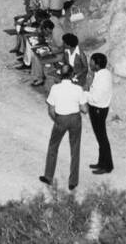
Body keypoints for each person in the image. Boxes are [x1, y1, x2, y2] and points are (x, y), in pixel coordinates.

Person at [39, 63, 88, 191]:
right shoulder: (78, 89)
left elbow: (51, 109)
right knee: (75, 149)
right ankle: (73, 181)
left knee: (53, 147)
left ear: (60, 75)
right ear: (72, 75)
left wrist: (58, 120)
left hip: (61, 118)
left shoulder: (55, 88)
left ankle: (48, 176)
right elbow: (84, 110)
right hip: (75, 119)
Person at [87, 52, 114, 175]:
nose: (89, 64)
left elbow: (95, 97)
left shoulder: (101, 77)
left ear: (97, 65)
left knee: (102, 138)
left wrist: (84, 95)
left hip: (98, 109)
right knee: (100, 137)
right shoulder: (104, 73)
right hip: (101, 108)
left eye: (91, 62)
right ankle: (101, 162)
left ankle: (107, 166)